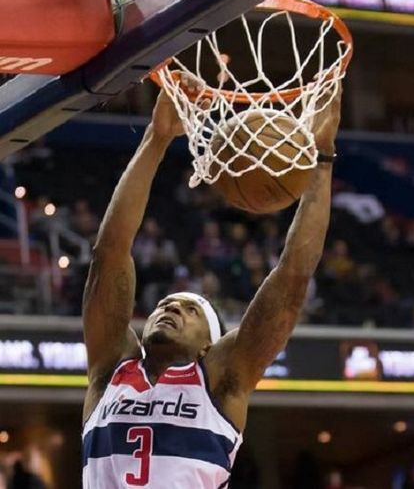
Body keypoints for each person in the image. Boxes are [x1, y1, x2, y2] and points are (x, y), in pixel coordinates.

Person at [80, 76, 343, 488]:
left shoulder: (220, 381)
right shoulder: (111, 369)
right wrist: (157, 137)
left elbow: (292, 277)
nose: (170, 308)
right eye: (168, 304)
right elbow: (111, 251)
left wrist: (322, 158)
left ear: (210, 346)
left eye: (190, 309)